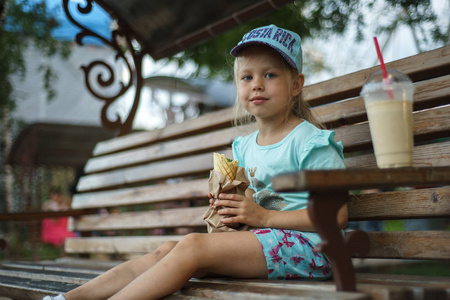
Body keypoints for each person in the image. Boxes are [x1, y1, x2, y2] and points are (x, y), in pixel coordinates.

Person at [43, 24, 347, 300]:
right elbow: (251, 208)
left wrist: (263, 218)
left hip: (313, 249)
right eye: (247, 76)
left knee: (192, 246)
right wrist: (230, 208)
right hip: (263, 243)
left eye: (270, 74)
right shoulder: (243, 147)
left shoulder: (310, 142)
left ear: (296, 85)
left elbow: (337, 216)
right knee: (166, 251)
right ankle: (68, 299)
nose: (257, 84)